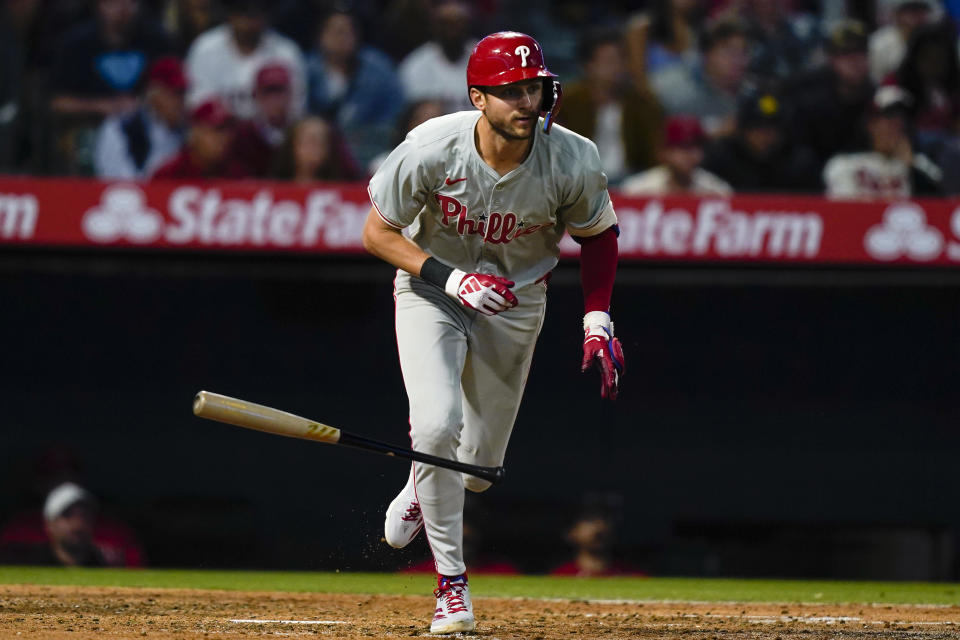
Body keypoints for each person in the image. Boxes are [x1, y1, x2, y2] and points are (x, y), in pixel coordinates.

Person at [363, 31, 624, 634]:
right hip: (432, 290)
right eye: (510, 92)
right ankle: (451, 587)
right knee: (433, 424)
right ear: (478, 97)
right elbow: (377, 234)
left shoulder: (572, 156)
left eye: (533, 87)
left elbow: (598, 237)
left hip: (517, 302)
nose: (526, 101)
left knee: (477, 471)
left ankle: (420, 477)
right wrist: (450, 280)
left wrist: (596, 317)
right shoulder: (432, 146)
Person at [559, 26, 662, 184]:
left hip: (631, 181)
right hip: (579, 179)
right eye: (609, 61)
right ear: (589, 65)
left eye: (621, 60)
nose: (617, 68)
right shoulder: (566, 102)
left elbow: (653, 157)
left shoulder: (643, 104)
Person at [305, 9, 405, 168]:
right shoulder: (307, 70)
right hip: (322, 149)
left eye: (347, 31)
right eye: (336, 31)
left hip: (369, 149)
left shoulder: (380, 71)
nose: (341, 38)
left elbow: (394, 119)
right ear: (321, 36)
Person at [185, 0, 306, 121]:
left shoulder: (286, 52)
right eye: (242, 11)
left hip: (269, 135)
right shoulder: (205, 48)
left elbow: (296, 109)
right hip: (220, 132)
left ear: (266, 14)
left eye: (255, 12)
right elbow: (196, 104)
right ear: (230, 13)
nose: (248, 20)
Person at [823, 85, 942, 198]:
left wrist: (912, 169)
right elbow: (842, 210)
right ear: (871, 124)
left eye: (903, 118)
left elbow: (936, 207)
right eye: (890, 117)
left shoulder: (921, 165)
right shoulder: (844, 164)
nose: (898, 124)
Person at [787, 20, 875, 166]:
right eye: (846, 54)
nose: (855, 62)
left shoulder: (875, 96)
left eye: (861, 53)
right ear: (832, 59)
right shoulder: (809, 97)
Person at [702, 89, 821, 192]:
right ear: (743, 129)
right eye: (757, 127)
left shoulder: (799, 162)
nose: (765, 135)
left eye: (772, 127)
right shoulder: (721, 158)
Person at [650, 17, 751, 137]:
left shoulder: (751, 93)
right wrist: (714, 132)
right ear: (707, 54)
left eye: (743, 52)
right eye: (728, 51)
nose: (738, 60)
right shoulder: (666, 88)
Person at [93, 56, 187, 179]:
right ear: (154, 94)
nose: (180, 102)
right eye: (174, 94)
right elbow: (117, 182)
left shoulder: (188, 132)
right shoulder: (122, 127)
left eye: (183, 94)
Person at [620, 115, 732, 196]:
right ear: (663, 152)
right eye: (680, 147)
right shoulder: (636, 190)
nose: (687, 155)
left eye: (694, 147)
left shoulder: (717, 191)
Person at [397, 1, 477, 113]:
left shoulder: (484, 57)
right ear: (434, 26)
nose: (451, 30)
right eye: (445, 23)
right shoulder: (416, 64)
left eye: (458, 23)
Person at [151, 97, 247, 179]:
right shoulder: (168, 175)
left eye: (228, 130)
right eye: (216, 130)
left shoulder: (238, 174)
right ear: (195, 132)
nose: (224, 138)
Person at [230, 62, 295, 177]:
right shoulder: (243, 135)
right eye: (268, 92)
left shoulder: (300, 132)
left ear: (290, 94)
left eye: (279, 91)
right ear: (256, 96)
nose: (274, 99)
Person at [271, 115, 364, 182]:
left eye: (320, 142)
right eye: (309, 141)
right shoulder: (269, 191)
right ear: (293, 145)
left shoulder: (342, 191)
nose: (314, 149)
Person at [869, 0, 938, 84]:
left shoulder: (936, 40)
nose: (917, 18)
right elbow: (875, 80)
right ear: (898, 14)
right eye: (911, 12)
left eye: (921, 12)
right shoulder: (879, 43)